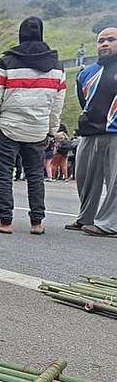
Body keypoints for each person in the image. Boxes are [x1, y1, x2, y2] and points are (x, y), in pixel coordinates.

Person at [0, 16, 65, 235]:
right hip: (37, 131)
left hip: (7, 129)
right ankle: (37, 223)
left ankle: (5, 221)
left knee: (3, 174)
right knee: (35, 175)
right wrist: (51, 131)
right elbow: (56, 106)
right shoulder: (57, 67)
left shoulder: (5, 62)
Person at [67, 27, 117, 237]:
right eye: (101, 41)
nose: (104, 44)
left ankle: (111, 224)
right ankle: (85, 217)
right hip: (89, 132)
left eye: (111, 40)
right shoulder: (86, 73)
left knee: (115, 182)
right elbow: (84, 101)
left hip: (115, 132)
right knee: (84, 178)